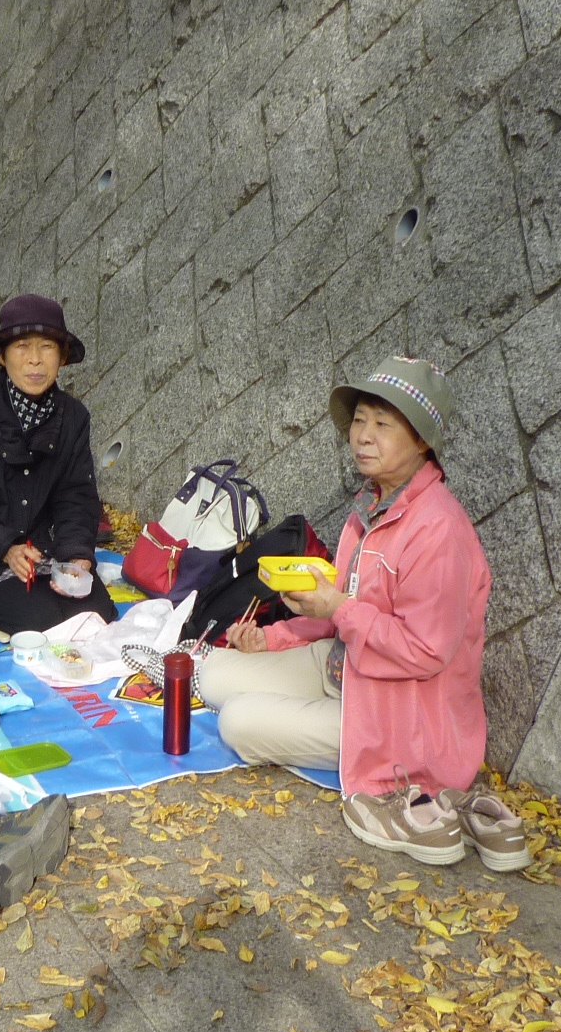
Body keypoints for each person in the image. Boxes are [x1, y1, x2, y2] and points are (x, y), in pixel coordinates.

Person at [196, 355, 527, 870]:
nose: (363, 436)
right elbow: (338, 611)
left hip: (399, 712)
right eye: (359, 421)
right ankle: (299, 709)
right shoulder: (370, 507)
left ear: (422, 441)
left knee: (237, 721)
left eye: (383, 424)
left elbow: (424, 652)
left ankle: (404, 778)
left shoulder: (438, 530)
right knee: (213, 674)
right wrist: (274, 637)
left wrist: (340, 607)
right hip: (344, 667)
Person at [0, 293, 119, 634]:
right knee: (42, 625)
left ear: (62, 357)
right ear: (2, 357)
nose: (35, 360)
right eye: (22, 347)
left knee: (98, 616)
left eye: (47, 347)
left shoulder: (73, 416)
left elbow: (76, 496)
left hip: (44, 549)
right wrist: (5, 547)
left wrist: (77, 554)